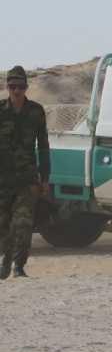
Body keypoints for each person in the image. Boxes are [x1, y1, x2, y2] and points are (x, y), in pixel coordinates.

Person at [0, 66, 51, 279]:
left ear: (26, 87)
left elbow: (44, 146)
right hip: (3, 179)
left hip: (27, 178)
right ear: (7, 87)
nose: (16, 91)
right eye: (13, 87)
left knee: (22, 224)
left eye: (20, 86)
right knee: (4, 226)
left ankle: (18, 266)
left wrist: (45, 178)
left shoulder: (36, 111)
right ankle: (5, 263)